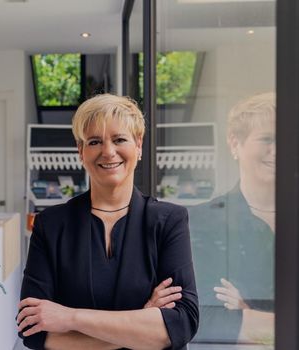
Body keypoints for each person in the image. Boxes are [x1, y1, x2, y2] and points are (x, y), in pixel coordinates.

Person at [17, 94, 199, 349]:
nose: (108, 151)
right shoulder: (50, 225)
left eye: (119, 139)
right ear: (81, 151)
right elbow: (33, 332)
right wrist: (142, 319)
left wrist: (70, 317)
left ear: (138, 145)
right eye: (94, 141)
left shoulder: (169, 221)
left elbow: (182, 324)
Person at [189, 92, 275, 344]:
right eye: (267, 139)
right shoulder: (201, 222)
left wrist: (246, 311)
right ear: (235, 143)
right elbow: (204, 319)